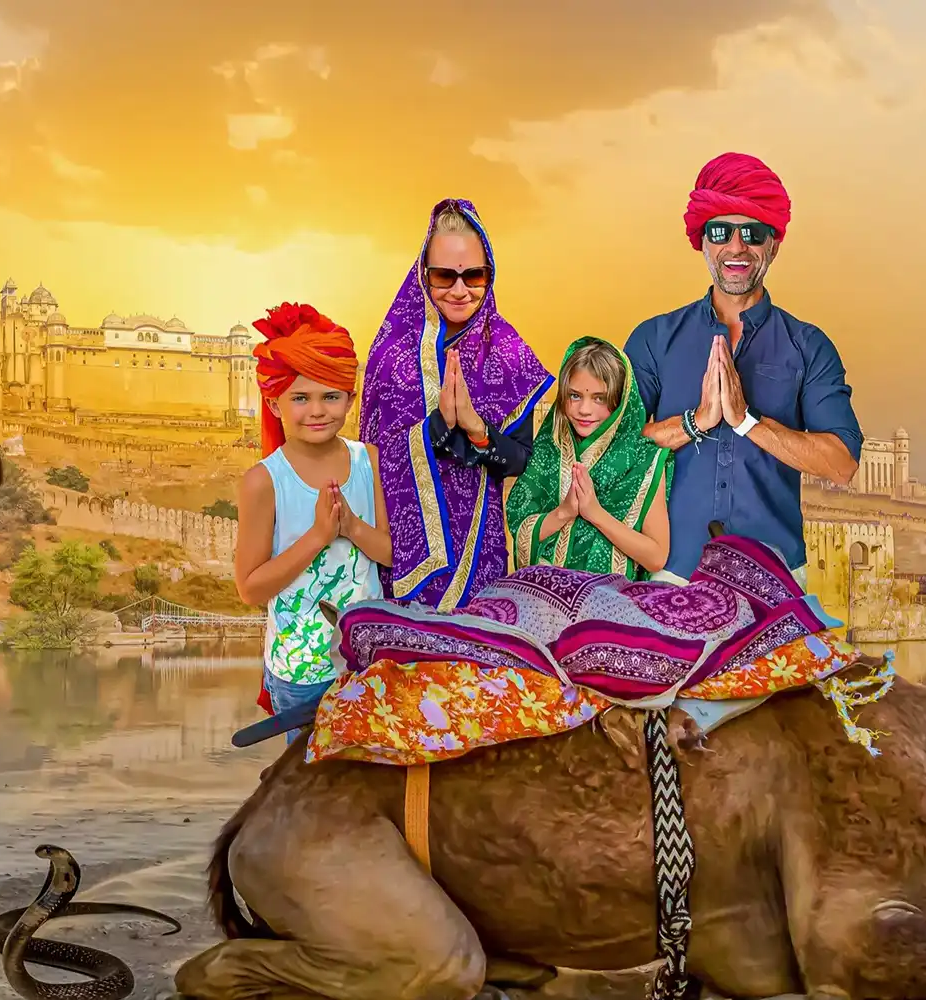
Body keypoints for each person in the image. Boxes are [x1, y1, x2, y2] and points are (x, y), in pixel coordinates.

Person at [624, 152, 863, 585]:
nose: (736, 247)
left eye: (752, 233)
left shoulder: (809, 347)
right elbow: (614, 453)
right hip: (668, 576)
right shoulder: (654, 340)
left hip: (775, 579)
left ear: (774, 243)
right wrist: (696, 423)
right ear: (702, 240)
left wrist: (747, 421)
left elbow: (842, 465)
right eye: (721, 231)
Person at [360, 198, 552, 611]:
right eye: (446, 276)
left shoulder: (507, 352)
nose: (461, 290)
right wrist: (437, 426)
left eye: (474, 276)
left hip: (480, 552)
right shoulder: (390, 355)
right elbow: (372, 459)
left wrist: (476, 428)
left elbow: (520, 460)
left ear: (490, 274)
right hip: (398, 557)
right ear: (423, 275)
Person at [233, 302, 390, 737]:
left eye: (330, 396)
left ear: (350, 398)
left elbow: (391, 555)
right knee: (309, 796)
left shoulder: (367, 462)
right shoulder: (264, 482)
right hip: (301, 674)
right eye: (300, 398)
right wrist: (320, 536)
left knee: (363, 791)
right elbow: (250, 588)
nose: (317, 410)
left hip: (367, 664)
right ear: (274, 401)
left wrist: (353, 529)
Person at [505, 337, 672, 578]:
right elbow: (521, 531)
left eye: (599, 398)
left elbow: (655, 557)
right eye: (574, 396)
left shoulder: (643, 460)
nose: (584, 410)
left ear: (620, 400)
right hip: (544, 598)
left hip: (611, 604)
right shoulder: (548, 449)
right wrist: (564, 512)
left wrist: (595, 513)